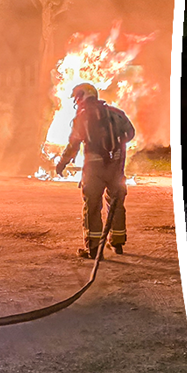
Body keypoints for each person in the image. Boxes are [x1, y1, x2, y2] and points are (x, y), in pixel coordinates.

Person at [54, 83, 135, 259]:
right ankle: (118, 242)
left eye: (77, 98)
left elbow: (73, 145)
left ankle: (93, 249)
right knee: (116, 202)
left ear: (82, 97)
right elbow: (130, 133)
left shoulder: (82, 118)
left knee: (92, 206)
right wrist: (116, 147)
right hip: (116, 166)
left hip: (94, 168)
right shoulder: (116, 113)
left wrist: (62, 163)